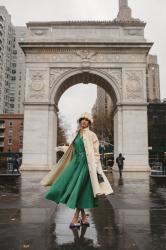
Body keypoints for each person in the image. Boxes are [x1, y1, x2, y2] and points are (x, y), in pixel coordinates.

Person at [40, 112, 114, 228]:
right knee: (72, 186)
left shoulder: (92, 135)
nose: (83, 121)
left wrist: (94, 165)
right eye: (82, 119)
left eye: (86, 120)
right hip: (75, 163)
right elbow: (72, 149)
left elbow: (96, 152)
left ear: (89, 122)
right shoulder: (76, 134)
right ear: (79, 122)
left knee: (79, 188)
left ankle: (75, 217)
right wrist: (62, 148)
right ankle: (84, 217)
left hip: (86, 164)